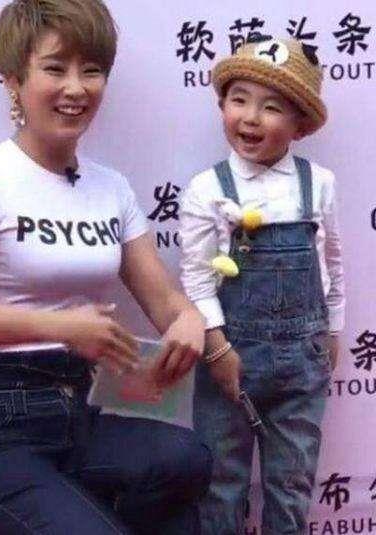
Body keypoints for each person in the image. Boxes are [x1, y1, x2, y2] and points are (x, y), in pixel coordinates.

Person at [0, 1, 212, 533]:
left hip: (81, 414)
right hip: (0, 425)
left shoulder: (110, 188)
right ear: (13, 79)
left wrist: (189, 321)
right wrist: (62, 327)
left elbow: (165, 301)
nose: (76, 88)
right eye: (55, 68)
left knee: (185, 461)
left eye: (91, 70)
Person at [180, 38, 345, 534]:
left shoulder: (318, 183)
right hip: (229, 354)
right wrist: (217, 348)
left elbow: (332, 262)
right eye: (239, 100)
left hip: (302, 360)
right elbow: (196, 279)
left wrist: (333, 330)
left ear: (299, 124)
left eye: (271, 107)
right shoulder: (207, 189)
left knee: (292, 483)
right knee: (220, 482)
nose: (251, 118)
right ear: (222, 106)